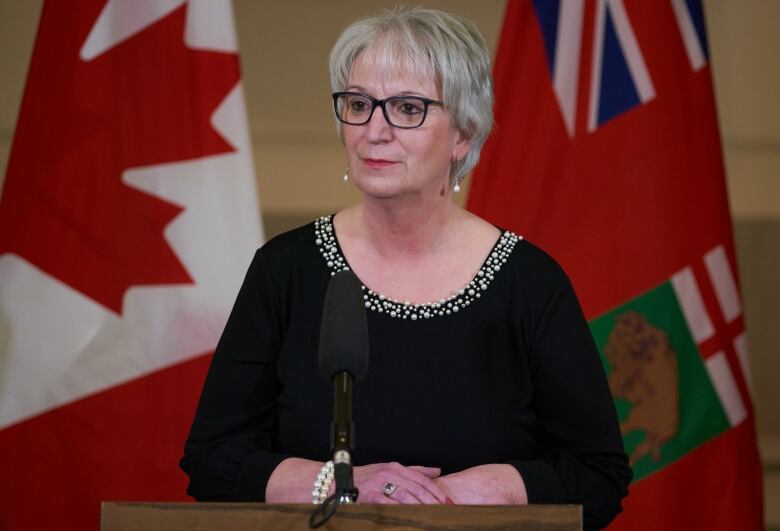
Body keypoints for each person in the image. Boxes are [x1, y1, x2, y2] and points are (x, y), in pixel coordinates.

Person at [181, 7, 631, 530]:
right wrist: (340, 484)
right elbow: (212, 459)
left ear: (463, 134)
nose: (375, 130)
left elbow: (598, 476)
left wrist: (459, 494)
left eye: (407, 108)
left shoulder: (531, 283)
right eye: (358, 104)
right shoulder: (285, 271)